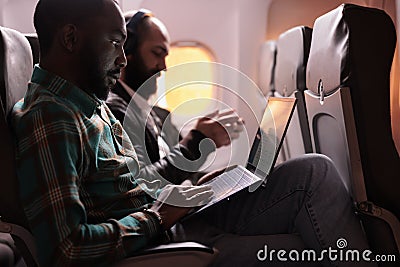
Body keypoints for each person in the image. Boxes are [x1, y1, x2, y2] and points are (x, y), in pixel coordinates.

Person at [11, 1, 373, 267]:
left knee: (313, 173)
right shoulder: (51, 117)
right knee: (307, 245)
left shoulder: (92, 102)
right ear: (71, 38)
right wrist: (159, 215)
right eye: (114, 43)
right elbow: (66, 250)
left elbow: (134, 183)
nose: (121, 59)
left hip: (176, 220)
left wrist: (197, 186)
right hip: (160, 244)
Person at [106, 9, 242, 188]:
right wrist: (197, 140)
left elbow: (176, 172)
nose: (163, 67)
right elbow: (141, 184)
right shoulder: (115, 110)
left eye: (165, 56)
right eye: (157, 53)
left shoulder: (159, 115)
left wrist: (211, 182)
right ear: (127, 51)